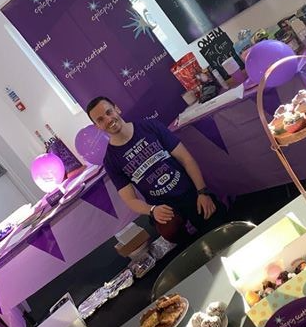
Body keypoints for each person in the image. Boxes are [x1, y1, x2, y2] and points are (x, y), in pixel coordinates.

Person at [86, 96, 228, 239]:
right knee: (171, 231)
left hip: (189, 193)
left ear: (117, 109)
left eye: (109, 112)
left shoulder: (150, 127)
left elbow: (186, 159)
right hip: (163, 207)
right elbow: (130, 200)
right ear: (97, 126)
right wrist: (152, 210)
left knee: (221, 228)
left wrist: (203, 192)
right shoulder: (110, 160)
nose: (108, 119)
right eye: (100, 120)